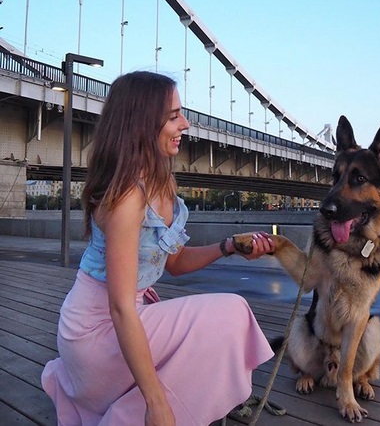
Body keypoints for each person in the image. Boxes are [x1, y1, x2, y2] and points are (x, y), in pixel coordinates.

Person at [41, 71, 275, 426]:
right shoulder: (126, 198)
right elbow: (120, 307)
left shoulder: (162, 184)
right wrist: (156, 403)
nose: (186, 123)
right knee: (232, 312)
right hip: (95, 333)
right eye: (173, 116)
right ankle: (138, 413)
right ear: (141, 124)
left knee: (220, 321)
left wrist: (229, 247)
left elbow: (176, 262)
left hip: (125, 321)